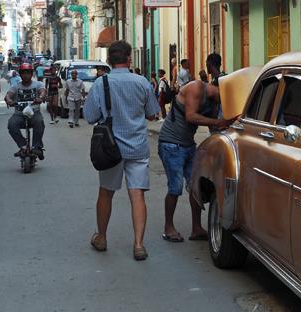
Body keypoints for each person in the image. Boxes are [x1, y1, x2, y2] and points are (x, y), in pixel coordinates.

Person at [84, 41, 160, 261]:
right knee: (137, 195)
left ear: (108, 60)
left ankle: (102, 237)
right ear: (129, 59)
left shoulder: (101, 83)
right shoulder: (142, 82)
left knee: (106, 192)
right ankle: (138, 244)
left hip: (110, 149)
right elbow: (153, 113)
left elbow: (89, 116)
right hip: (137, 147)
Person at [158, 77, 236, 242]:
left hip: (188, 145)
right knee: (175, 187)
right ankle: (168, 227)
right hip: (171, 144)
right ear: (218, 88)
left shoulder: (215, 103)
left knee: (195, 187)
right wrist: (219, 122)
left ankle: (196, 228)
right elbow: (191, 116)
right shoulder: (196, 88)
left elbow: (214, 127)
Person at [5, 63, 47, 159]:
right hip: (19, 114)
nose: (26, 75)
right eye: (23, 73)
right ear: (20, 74)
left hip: (34, 113)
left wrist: (40, 98)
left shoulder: (38, 84)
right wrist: (9, 100)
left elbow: (43, 91)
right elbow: (9, 94)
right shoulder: (16, 86)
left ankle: (37, 147)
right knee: (11, 124)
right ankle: (23, 146)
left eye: (28, 73)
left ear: (32, 74)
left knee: (39, 121)